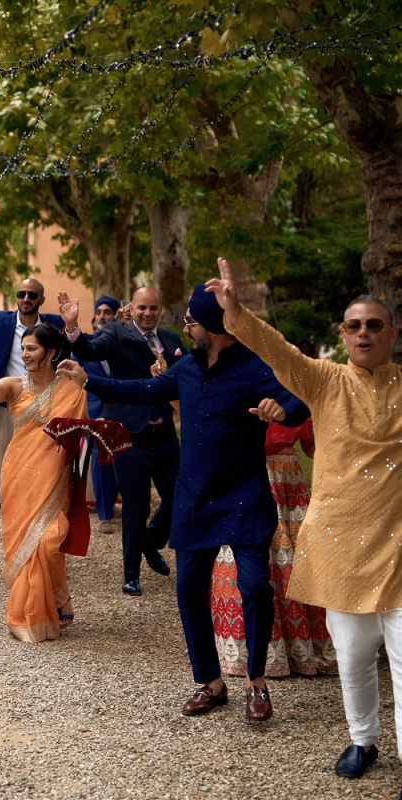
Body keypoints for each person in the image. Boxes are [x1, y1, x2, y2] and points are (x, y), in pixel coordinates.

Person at [58, 284, 308, 721]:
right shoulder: (187, 368)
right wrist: (88, 379)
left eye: (191, 321)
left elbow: (298, 400)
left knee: (255, 588)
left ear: (212, 326)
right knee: (189, 590)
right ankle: (210, 683)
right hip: (195, 498)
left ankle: (256, 682)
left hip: (245, 496)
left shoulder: (253, 367)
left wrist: (280, 410)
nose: (186, 327)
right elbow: (141, 389)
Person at [207, 259, 402, 781]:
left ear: (392, 333)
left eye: (374, 325)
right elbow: (280, 352)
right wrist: (236, 312)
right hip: (342, 548)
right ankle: (362, 741)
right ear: (343, 335)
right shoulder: (325, 381)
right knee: (353, 657)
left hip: (399, 545)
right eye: (354, 326)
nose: (364, 333)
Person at [0, 322, 85, 642]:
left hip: (54, 477)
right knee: (26, 544)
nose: (25, 354)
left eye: (32, 348)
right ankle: (34, 614)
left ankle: (56, 597)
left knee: (50, 539)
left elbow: (81, 429)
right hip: (19, 475)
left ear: (52, 352)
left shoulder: (71, 387)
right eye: (23, 349)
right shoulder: (15, 385)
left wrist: (83, 382)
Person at [61, 286, 183, 596]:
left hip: (164, 434)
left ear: (160, 310)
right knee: (136, 504)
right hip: (128, 434)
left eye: (153, 308)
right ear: (132, 307)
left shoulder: (171, 340)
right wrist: (72, 326)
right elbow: (88, 350)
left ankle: (149, 542)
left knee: (180, 497)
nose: (147, 313)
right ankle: (131, 574)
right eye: (142, 307)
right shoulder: (117, 332)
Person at [211, 418, 338, 678]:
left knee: (293, 560)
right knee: (250, 560)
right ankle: (257, 650)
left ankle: (296, 647)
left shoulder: (296, 396)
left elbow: (314, 445)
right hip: (250, 472)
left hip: (287, 478)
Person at [0, 278, 65, 477]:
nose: (26, 298)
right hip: (7, 405)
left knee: (41, 471)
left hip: (46, 407)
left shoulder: (54, 324)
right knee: (5, 470)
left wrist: (71, 324)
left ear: (41, 300)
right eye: (21, 294)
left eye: (32, 295)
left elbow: (76, 346)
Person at [84, 296, 122, 534]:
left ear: (117, 315)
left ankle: (122, 505)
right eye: (99, 312)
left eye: (107, 312)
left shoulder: (126, 343)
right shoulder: (87, 344)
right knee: (100, 461)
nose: (102, 316)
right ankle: (104, 515)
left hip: (124, 409)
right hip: (96, 412)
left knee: (123, 458)